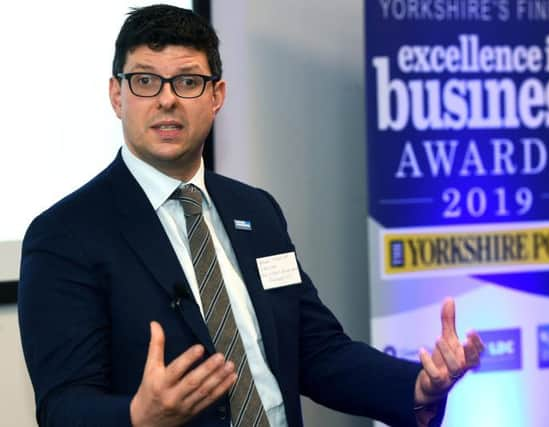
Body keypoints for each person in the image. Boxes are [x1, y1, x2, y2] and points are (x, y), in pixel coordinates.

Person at [18, 4, 483, 427]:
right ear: (117, 96)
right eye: (144, 81)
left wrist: (416, 386)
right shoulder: (64, 235)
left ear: (216, 96)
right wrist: (138, 417)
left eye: (187, 81)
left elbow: (317, 351)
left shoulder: (255, 210)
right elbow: (63, 406)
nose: (166, 99)